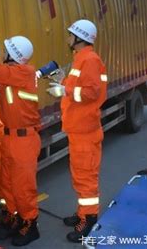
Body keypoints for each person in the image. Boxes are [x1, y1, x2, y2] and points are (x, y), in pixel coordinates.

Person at [46, 19, 107, 243]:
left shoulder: (89, 59)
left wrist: (64, 90)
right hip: (79, 128)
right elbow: (82, 88)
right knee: (80, 176)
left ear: (80, 38)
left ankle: (88, 221)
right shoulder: (82, 59)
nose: (68, 38)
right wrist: (63, 81)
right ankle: (82, 214)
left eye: (71, 34)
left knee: (85, 178)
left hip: (85, 129)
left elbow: (90, 92)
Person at [0, 36, 41, 246]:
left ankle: (30, 224)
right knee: (8, 183)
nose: (3, 52)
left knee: (23, 186)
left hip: (24, 139)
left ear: (14, 54)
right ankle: (14, 217)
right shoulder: (12, 76)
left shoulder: (24, 72)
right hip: (9, 137)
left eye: (6, 50)